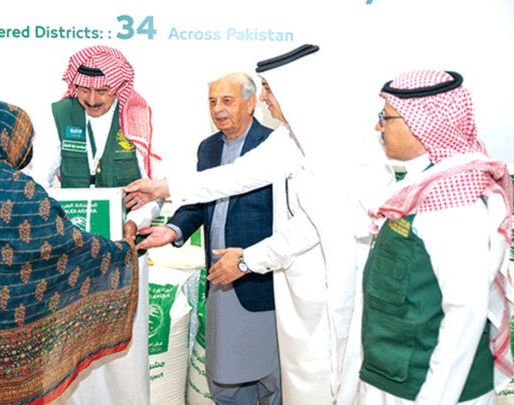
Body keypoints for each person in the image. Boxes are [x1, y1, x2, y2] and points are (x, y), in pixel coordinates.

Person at [127, 44, 390, 404]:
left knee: (332, 382)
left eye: (268, 88)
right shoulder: (290, 138)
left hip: (330, 290)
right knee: (302, 388)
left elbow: (313, 228)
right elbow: (237, 176)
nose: (264, 98)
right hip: (296, 291)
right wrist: (162, 188)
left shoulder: (338, 145)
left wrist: (248, 260)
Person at [0, 101, 139, 405]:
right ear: (14, 140)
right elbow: (64, 244)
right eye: (27, 140)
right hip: (5, 342)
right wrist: (122, 249)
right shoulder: (19, 189)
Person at [356, 70, 514, 404]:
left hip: (432, 389)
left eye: (385, 118)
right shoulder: (422, 184)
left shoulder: (454, 204)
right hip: (394, 376)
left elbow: (465, 312)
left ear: (421, 123)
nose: (378, 127)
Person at [138, 72, 283, 404]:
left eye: (227, 101)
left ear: (251, 103)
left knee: (272, 377)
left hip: (262, 280)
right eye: (212, 101)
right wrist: (172, 230)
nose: (218, 109)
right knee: (225, 375)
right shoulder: (209, 147)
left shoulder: (274, 145)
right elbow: (199, 199)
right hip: (220, 278)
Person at [31, 45, 162, 405]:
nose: (91, 99)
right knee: (74, 342)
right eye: (84, 90)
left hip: (125, 249)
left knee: (124, 347)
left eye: (101, 91)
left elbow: (155, 189)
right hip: (72, 253)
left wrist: (135, 223)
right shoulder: (60, 115)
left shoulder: (135, 116)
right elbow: (39, 181)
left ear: (117, 87)